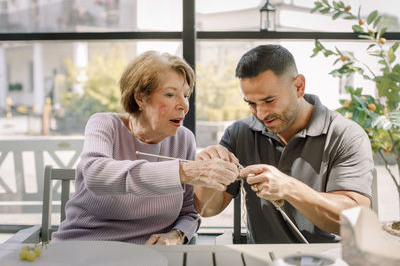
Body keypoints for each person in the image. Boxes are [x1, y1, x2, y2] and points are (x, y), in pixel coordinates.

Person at [52, 51, 238, 245]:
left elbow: (189, 212)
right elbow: (96, 174)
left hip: (151, 256)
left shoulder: (184, 139)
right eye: (170, 94)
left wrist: (176, 236)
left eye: (186, 95)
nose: (184, 105)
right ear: (140, 97)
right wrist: (184, 171)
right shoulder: (105, 124)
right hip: (82, 248)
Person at [194, 44, 373, 243]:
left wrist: (289, 188)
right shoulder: (239, 133)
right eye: (251, 104)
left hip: (327, 260)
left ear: (299, 87)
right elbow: (207, 209)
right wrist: (205, 175)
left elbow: (356, 219)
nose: (261, 114)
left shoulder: (346, 135)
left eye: (269, 101)